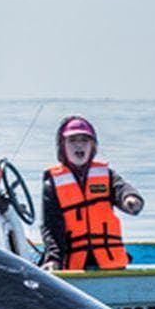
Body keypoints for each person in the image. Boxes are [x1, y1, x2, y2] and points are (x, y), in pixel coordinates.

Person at [39, 116, 143, 272]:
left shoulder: (106, 176)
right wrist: (54, 259)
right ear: (62, 146)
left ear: (93, 146)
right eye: (72, 140)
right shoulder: (52, 184)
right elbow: (51, 228)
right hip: (73, 267)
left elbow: (121, 189)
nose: (79, 145)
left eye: (84, 140)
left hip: (109, 264)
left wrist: (130, 199)